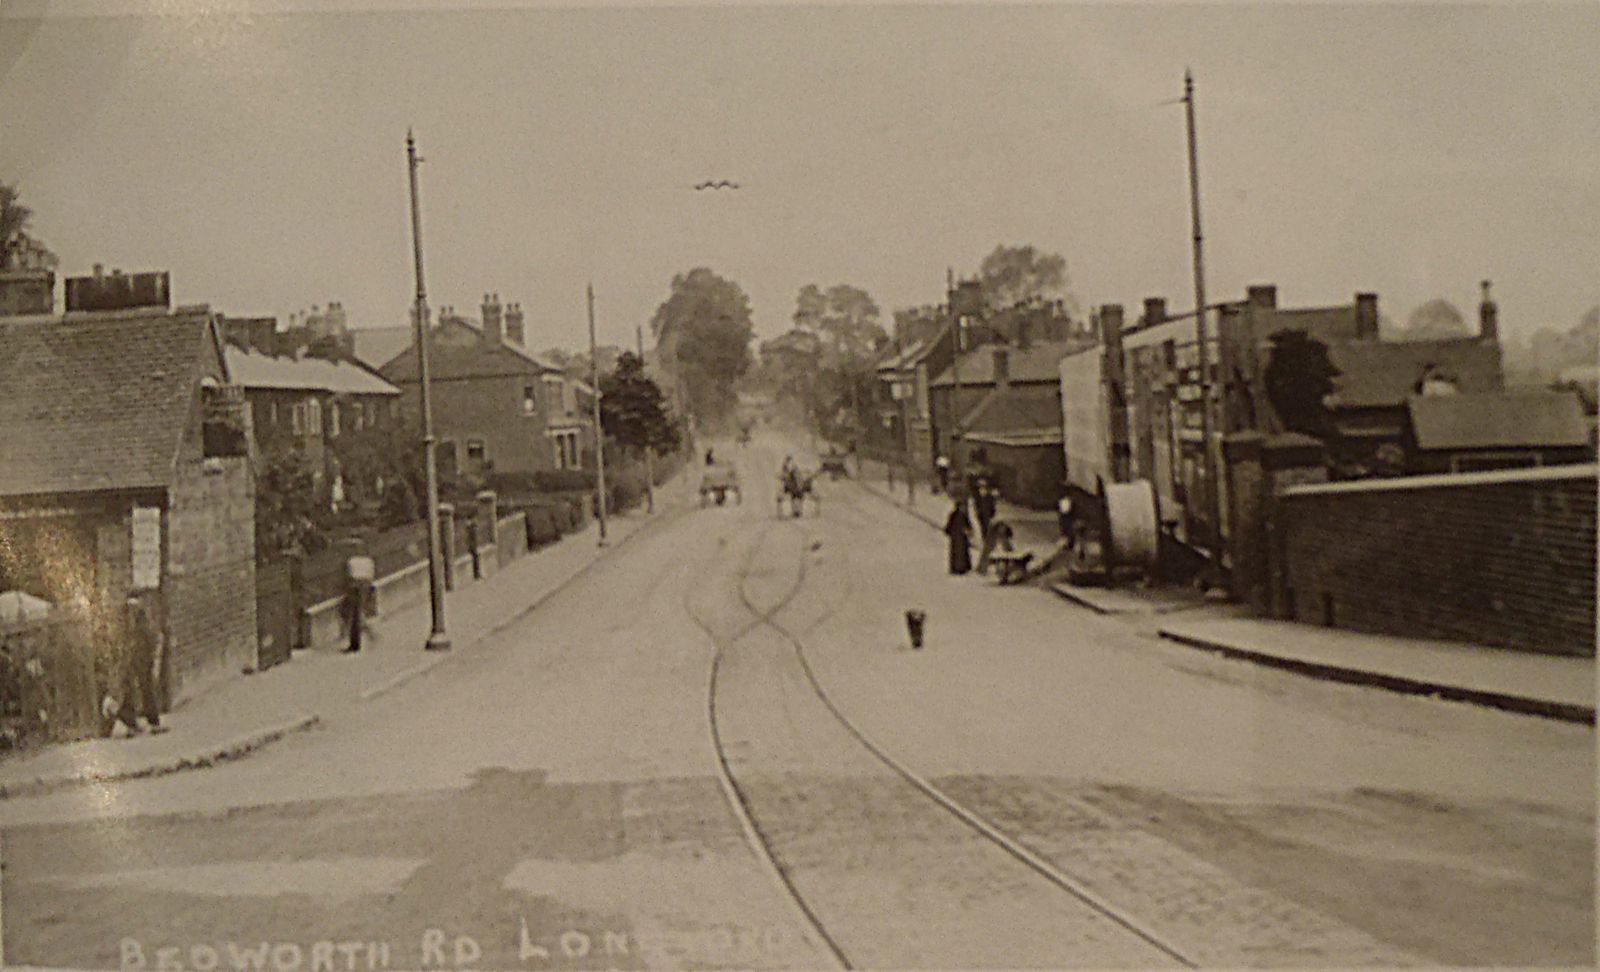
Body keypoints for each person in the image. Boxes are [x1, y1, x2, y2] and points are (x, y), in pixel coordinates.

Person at [119, 592, 165, 735]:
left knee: (131, 689)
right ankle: (151, 722)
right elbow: (148, 636)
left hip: (131, 656)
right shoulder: (139, 615)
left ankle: (133, 723)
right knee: (144, 688)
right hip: (139, 657)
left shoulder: (124, 616)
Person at [943, 500, 972, 575]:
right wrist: (948, 530)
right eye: (962, 506)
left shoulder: (963, 516)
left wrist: (968, 531)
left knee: (962, 553)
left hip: (961, 538)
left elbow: (968, 526)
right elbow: (949, 524)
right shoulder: (954, 515)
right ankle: (956, 568)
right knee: (957, 553)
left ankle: (961, 568)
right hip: (956, 537)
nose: (963, 508)